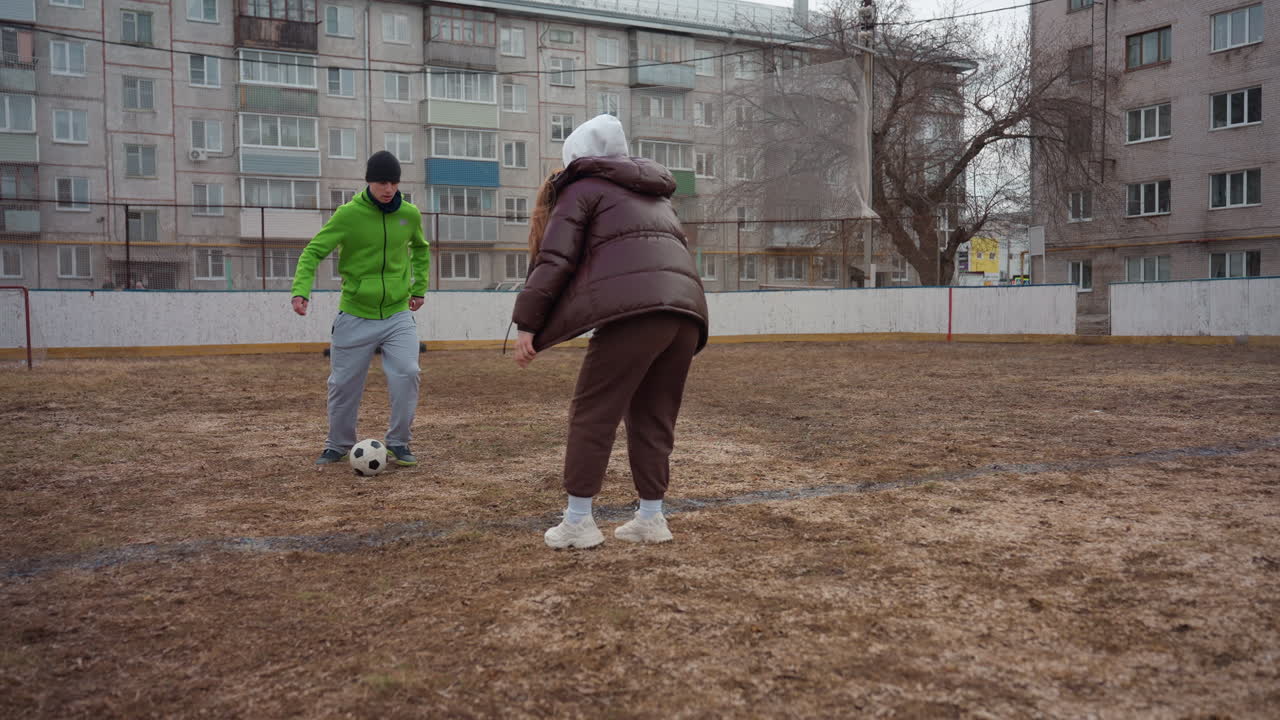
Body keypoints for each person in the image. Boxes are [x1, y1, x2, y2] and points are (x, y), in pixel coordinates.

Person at [512, 114, 710, 549]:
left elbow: (555, 259)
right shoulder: (656, 195)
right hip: (686, 314)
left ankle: (578, 522)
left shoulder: (582, 189)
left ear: (576, 158)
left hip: (635, 314)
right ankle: (651, 518)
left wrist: (528, 324)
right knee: (653, 414)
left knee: (593, 412)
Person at [290, 150, 430, 467]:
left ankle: (399, 442)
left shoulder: (409, 215)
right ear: (369, 182)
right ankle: (337, 444)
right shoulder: (348, 215)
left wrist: (419, 287)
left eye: (394, 182)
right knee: (343, 384)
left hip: (397, 314)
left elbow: (421, 250)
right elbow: (313, 252)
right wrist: (300, 290)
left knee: (408, 372)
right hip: (354, 313)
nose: (388, 189)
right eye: (382, 182)